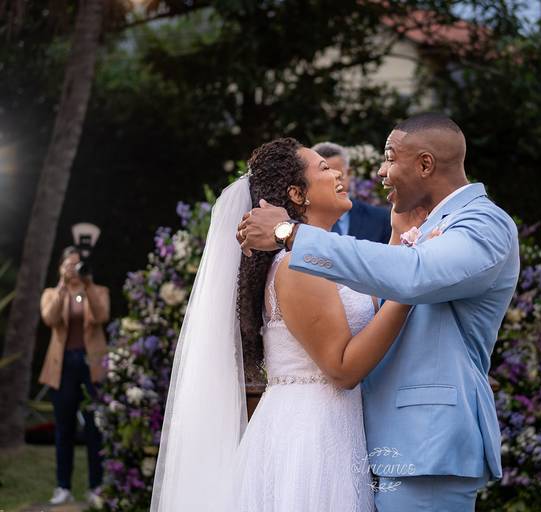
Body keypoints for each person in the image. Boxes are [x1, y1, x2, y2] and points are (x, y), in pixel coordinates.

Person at [237, 113, 520, 512]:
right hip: (376, 441)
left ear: (425, 164)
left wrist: (291, 233)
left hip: (426, 443)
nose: (380, 172)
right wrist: (398, 239)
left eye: (389, 158)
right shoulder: (427, 226)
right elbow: (393, 288)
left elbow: (416, 275)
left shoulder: (482, 223)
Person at [150, 138, 421, 511]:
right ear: (297, 193)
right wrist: (409, 292)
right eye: (324, 169)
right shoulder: (298, 267)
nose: (337, 174)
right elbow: (342, 368)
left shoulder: (322, 259)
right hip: (310, 435)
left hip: (333, 423)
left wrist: (399, 234)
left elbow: (374, 297)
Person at [39, 246, 109, 507]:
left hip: (91, 364)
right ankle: (63, 487)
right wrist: (61, 286)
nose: (74, 270)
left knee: (95, 427)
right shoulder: (51, 293)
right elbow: (49, 318)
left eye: (77, 264)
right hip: (63, 366)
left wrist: (87, 285)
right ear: (61, 267)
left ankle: (96, 486)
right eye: (69, 265)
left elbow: (101, 315)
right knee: (64, 428)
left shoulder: (98, 290)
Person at [311, 141, 392, 243]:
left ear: (349, 173)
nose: (333, 183)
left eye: (339, 175)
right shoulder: (300, 222)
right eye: (324, 177)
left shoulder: (380, 219)